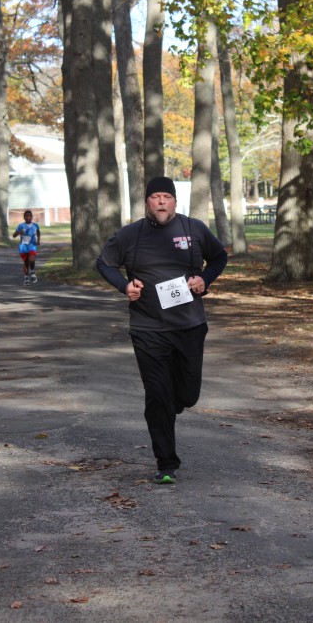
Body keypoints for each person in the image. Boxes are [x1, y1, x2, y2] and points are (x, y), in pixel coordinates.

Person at [96, 176, 228, 485]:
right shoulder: (130, 235)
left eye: (166, 196)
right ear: (147, 202)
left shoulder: (193, 229)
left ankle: (178, 399)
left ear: (174, 201)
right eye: (155, 197)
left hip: (190, 325)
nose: (161, 201)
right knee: (157, 395)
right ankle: (166, 462)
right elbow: (104, 263)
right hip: (148, 328)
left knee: (187, 395)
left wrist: (204, 279)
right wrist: (124, 286)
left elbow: (219, 257)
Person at [12, 210, 40, 285]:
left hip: (32, 246)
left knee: (32, 259)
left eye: (30, 216)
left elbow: (38, 232)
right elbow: (14, 235)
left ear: (32, 217)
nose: (28, 217)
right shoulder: (21, 226)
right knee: (26, 263)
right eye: (26, 216)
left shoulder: (35, 225)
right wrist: (19, 232)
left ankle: (32, 272)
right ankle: (26, 278)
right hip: (23, 247)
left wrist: (38, 241)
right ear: (24, 217)